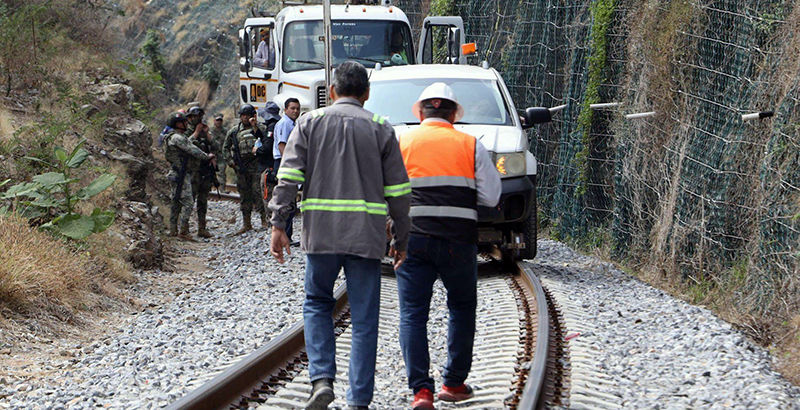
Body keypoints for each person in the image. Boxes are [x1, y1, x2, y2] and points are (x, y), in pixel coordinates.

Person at [269, 61, 411, 410]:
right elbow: (400, 192)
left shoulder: (309, 123)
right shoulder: (381, 128)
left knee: (317, 304)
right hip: (366, 238)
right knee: (364, 318)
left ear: (331, 92)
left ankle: (321, 380)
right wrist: (402, 239)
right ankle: (359, 399)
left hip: (322, 235)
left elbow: (287, 178)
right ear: (366, 94)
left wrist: (278, 224)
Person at [395, 82, 501, 410]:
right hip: (459, 240)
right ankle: (453, 384)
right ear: (454, 113)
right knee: (461, 307)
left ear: (420, 112)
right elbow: (492, 196)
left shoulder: (403, 142)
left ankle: (420, 392)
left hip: (413, 239)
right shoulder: (470, 145)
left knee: (413, 313)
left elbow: (386, 191)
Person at [163, 112, 215, 240]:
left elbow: (187, 143)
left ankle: (173, 230)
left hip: (176, 172)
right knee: (188, 202)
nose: (187, 124)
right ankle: (183, 231)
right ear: (178, 124)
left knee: (176, 202)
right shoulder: (178, 138)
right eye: (184, 122)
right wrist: (206, 157)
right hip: (181, 174)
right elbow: (192, 149)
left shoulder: (173, 137)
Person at [223, 104, 269, 234]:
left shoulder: (259, 127)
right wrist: (231, 162)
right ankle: (246, 223)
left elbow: (266, 139)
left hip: (257, 165)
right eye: (242, 116)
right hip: (241, 167)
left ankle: (264, 220)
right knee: (244, 194)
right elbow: (225, 148)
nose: (244, 118)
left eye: (247, 115)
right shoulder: (234, 131)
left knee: (258, 192)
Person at [272, 97, 301, 243]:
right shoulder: (285, 124)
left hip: (286, 162)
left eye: (297, 108)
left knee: (290, 203)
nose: (295, 111)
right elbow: (282, 145)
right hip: (284, 162)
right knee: (287, 202)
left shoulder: (291, 123)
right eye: (292, 108)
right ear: (285, 109)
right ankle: (284, 236)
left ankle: (287, 235)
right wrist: (289, 164)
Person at [189, 119, 219, 238]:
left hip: (205, 171)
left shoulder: (206, 135)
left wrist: (207, 134)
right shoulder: (187, 132)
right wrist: (196, 132)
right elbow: (186, 143)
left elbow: (216, 147)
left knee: (203, 201)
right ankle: (184, 229)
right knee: (188, 201)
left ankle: (202, 228)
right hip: (193, 172)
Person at [256, 102, 281, 225]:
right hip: (274, 166)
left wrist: (257, 150)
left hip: (268, 167)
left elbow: (267, 148)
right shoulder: (279, 125)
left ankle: (272, 222)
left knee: (268, 195)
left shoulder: (271, 127)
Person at [210, 113, 229, 190]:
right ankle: (211, 189)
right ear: (214, 120)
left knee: (221, 172)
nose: (219, 122)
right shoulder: (210, 131)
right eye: (217, 120)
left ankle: (222, 189)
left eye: (220, 120)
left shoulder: (225, 131)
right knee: (211, 173)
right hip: (212, 155)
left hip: (221, 155)